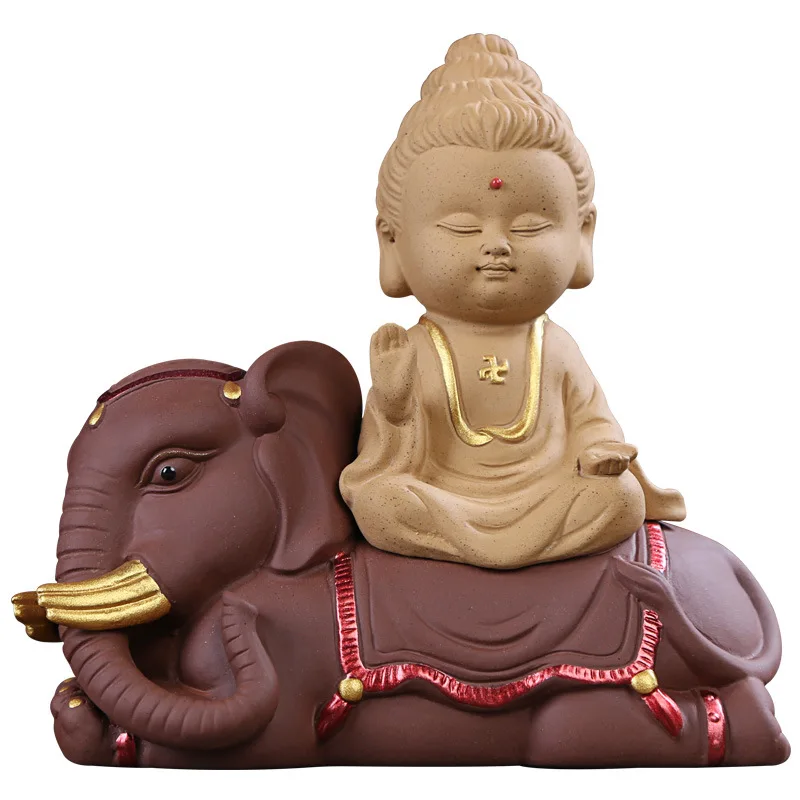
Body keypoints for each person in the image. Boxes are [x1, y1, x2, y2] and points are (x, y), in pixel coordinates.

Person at [340, 33, 685, 569]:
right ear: (392, 242)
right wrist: (394, 402)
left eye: (529, 225)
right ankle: (503, 553)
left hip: (550, 495)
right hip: (445, 500)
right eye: (461, 225)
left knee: (620, 499)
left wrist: (599, 454)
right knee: (383, 504)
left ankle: (486, 555)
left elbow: (593, 423)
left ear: (583, 236)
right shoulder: (412, 350)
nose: (497, 244)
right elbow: (386, 464)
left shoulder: (558, 348)